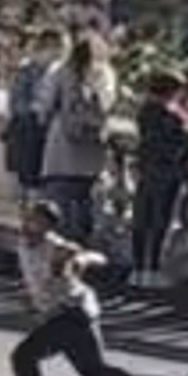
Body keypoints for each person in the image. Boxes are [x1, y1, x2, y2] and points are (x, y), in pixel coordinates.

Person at [10, 199, 188, 376]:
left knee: (23, 356)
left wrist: (80, 260)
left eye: (35, 222)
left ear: (48, 227)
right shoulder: (22, 239)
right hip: (64, 316)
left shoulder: (57, 247)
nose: (28, 225)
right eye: (28, 219)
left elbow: (96, 256)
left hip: (72, 314)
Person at [127, 63, 188, 285]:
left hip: (147, 168)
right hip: (168, 171)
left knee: (142, 220)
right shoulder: (169, 116)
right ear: (173, 91)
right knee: (160, 222)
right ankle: (153, 269)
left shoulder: (145, 112)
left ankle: (138, 269)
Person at [39, 35, 115, 235]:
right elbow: (107, 105)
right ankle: (83, 242)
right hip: (91, 144)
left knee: (58, 199)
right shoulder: (104, 73)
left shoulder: (58, 71)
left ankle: (59, 242)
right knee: (86, 198)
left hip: (62, 142)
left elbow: (45, 106)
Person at [5, 39, 59, 213]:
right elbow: (16, 104)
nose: (55, 56)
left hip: (48, 135)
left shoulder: (59, 74)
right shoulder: (26, 72)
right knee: (25, 181)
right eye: (53, 51)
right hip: (27, 132)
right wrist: (36, 110)